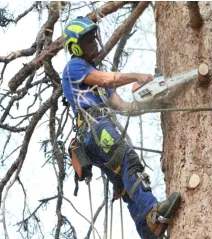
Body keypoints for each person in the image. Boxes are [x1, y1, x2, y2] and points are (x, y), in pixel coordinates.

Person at [62, 16, 181, 239]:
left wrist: (146, 102)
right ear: (76, 47)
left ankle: (148, 229)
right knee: (128, 160)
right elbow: (107, 80)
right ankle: (153, 213)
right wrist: (136, 76)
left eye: (93, 39)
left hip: (96, 135)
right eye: (87, 41)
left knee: (124, 185)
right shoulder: (75, 67)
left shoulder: (96, 76)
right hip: (94, 127)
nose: (94, 44)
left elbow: (122, 106)